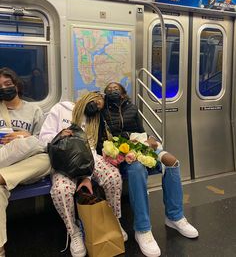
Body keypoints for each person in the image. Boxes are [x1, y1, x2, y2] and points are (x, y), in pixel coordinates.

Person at [102, 82, 199, 257]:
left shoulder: (132, 108)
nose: (113, 91)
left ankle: (174, 217)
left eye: (116, 89)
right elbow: (102, 136)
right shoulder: (103, 111)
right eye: (109, 90)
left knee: (172, 162)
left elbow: (141, 131)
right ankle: (142, 229)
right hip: (122, 151)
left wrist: (149, 140)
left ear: (123, 94)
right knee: (137, 168)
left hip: (141, 144)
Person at [39, 92, 125, 257]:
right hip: (63, 160)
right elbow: (43, 138)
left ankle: (114, 220)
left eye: (100, 105)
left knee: (113, 176)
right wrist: (59, 135)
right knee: (61, 190)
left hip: (88, 158)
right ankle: (74, 231)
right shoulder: (61, 108)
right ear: (87, 97)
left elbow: (93, 147)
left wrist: (87, 177)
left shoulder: (95, 119)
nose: (97, 105)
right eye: (96, 100)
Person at [0, 67, 51, 257]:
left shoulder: (34, 109)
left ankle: (2, 178)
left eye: (8, 84)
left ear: (16, 85)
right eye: (0, 86)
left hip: (25, 165)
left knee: (48, 159)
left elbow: (44, 142)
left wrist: (26, 136)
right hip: (3, 158)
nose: (4, 88)